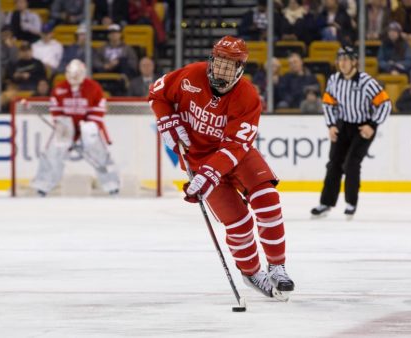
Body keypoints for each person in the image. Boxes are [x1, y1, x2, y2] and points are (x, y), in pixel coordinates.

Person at [148, 36, 295, 300]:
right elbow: (157, 93)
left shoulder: (248, 96)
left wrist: (209, 174)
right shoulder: (190, 75)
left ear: (240, 68)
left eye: (230, 66)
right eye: (219, 63)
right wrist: (166, 119)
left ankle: (277, 265)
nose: (222, 71)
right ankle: (251, 272)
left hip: (236, 155)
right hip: (198, 160)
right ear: (212, 60)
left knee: (267, 198)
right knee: (237, 222)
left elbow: (236, 146)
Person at [311, 46, 391, 218]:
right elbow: (328, 103)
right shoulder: (333, 80)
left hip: (363, 127)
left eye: (346, 59)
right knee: (334, 164)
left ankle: (350, 202)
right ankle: (326, 203)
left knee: (351, 164)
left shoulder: (366, 81)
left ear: (354, 61)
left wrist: (373, 124)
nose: (343, 63)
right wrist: (331, 125)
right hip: (343, 125)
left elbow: (385, 104)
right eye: (340, 59)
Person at [31, 59, 121, 196]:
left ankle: (112, 185)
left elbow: (99, 108)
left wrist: (89, 125)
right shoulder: (60, 88)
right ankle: (43, 185)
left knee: (99, 152)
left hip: (87, 125)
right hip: (66, 126)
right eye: (71, 74)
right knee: (53, 152)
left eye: (77, 74)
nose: (74, 77)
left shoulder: (93, 87)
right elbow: (55, 109)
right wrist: (64, 126)